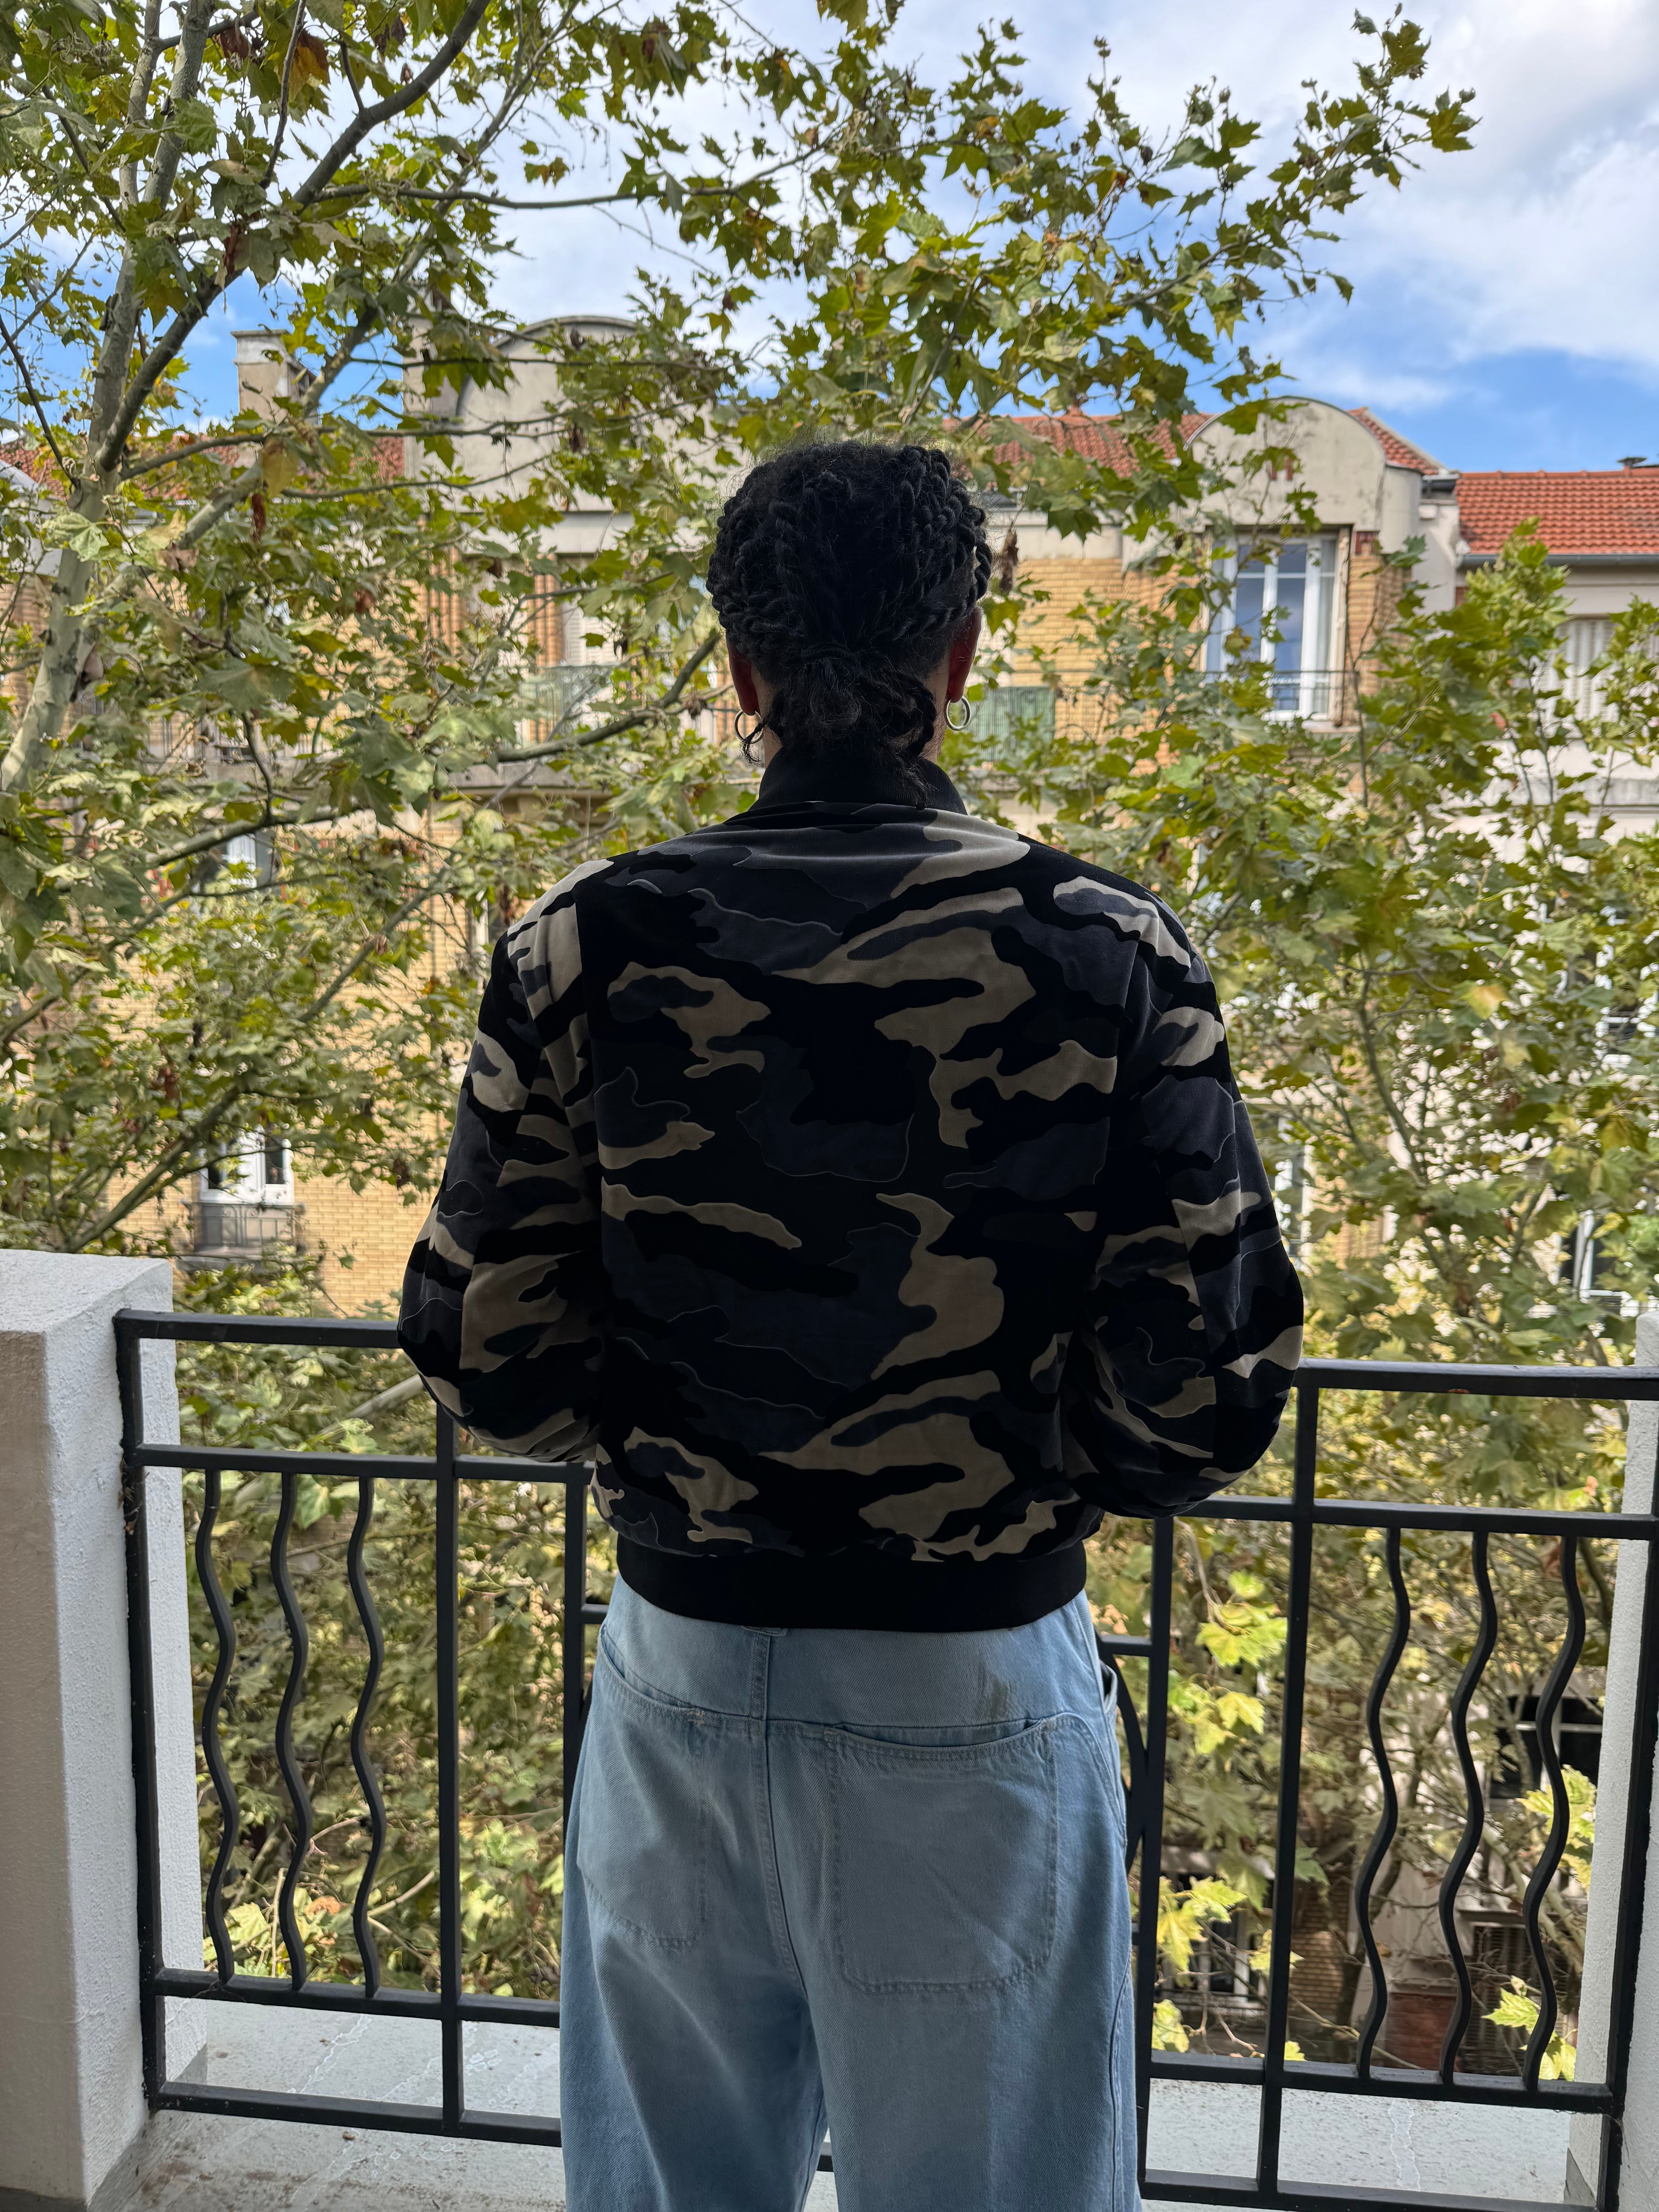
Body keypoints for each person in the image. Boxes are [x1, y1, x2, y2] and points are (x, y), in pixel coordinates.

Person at [398, 440, 1303, 2212]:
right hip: (975, 1683)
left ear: (741, 671)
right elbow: (1209, 1395)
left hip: (681, 1668)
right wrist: (1020, 1465)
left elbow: (482, 1353)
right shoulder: (1112, 953)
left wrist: (674, 1437)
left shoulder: (579, 949)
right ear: (960, 654)